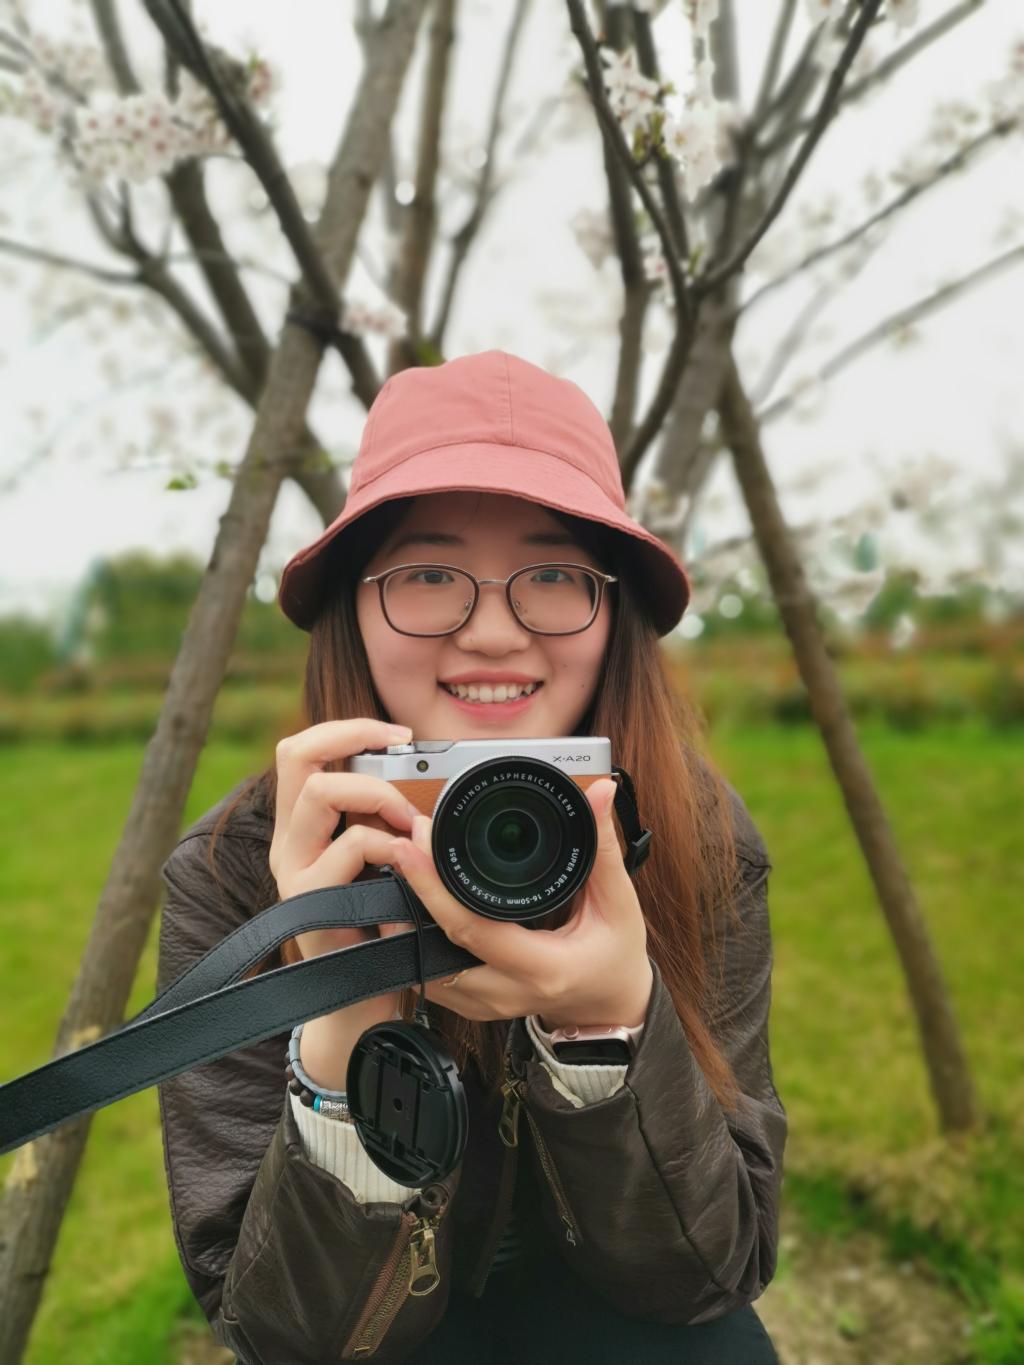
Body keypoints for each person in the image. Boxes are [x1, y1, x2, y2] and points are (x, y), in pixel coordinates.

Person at [157, 349, 786, 1364]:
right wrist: (343, 1021)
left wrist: (609, 1023)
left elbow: (707, 1275)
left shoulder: (698, 839)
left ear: (614, 612)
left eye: (554, 577)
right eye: (427, 576)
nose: (492, 633)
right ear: (353, 610)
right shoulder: (238, 870)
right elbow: (282, 1335)